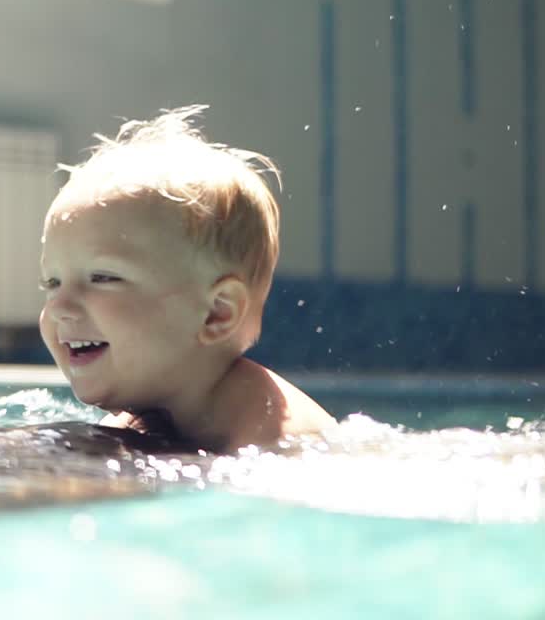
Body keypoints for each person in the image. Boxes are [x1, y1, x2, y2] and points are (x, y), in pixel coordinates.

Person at [38, 105, 337, 454]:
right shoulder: (140, 412)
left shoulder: (274, 437)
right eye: (52, 283)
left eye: (103, 277)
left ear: (216, 313)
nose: (59, 307)